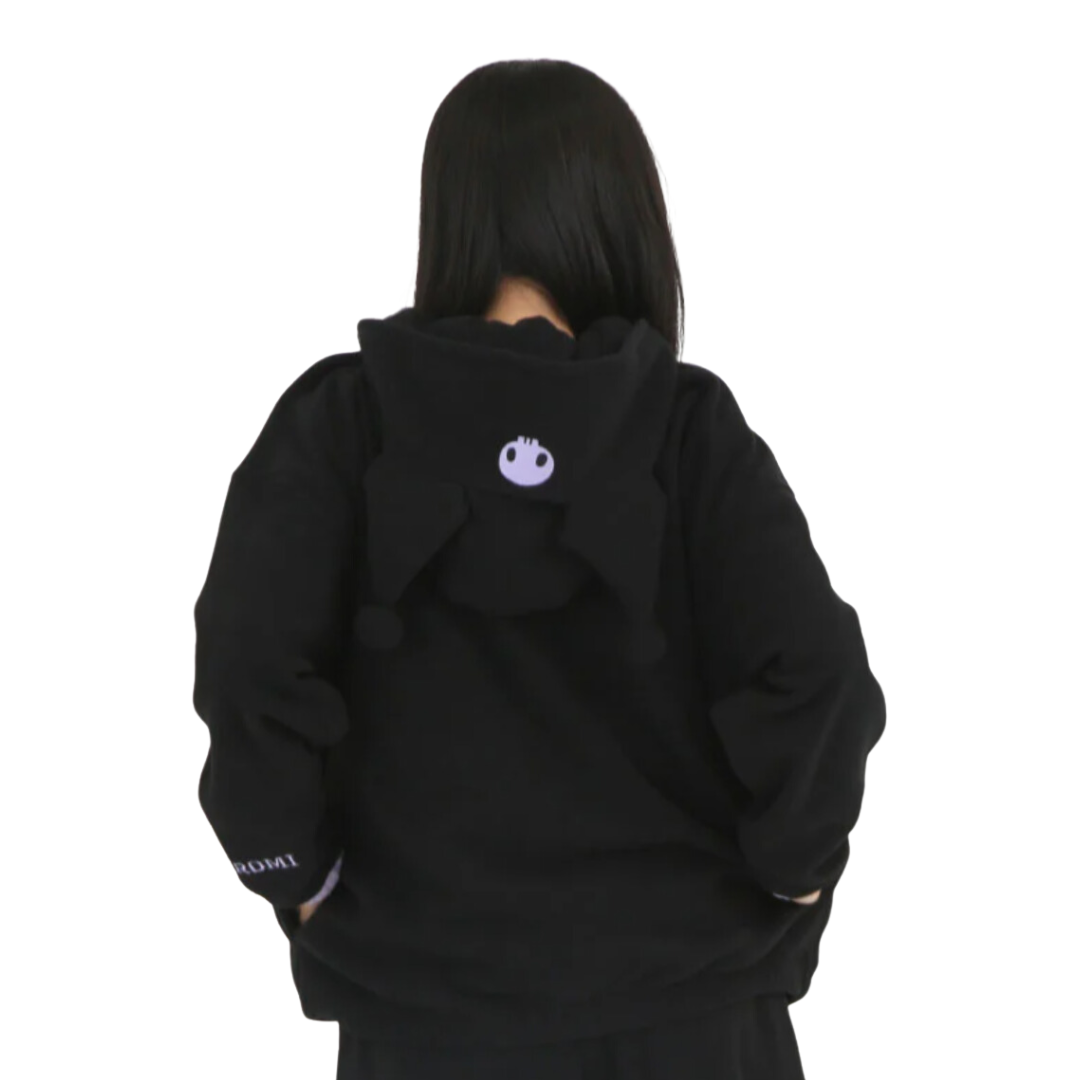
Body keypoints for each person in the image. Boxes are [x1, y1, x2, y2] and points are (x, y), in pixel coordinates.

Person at [191, 57, 886, 1080]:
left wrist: (297, 876)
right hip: (692, 1012)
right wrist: (797, 870)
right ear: (624, 216)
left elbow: (249, 671)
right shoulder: (686, 429)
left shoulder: (341, 424)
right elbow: (812, 675)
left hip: (424, 1020)